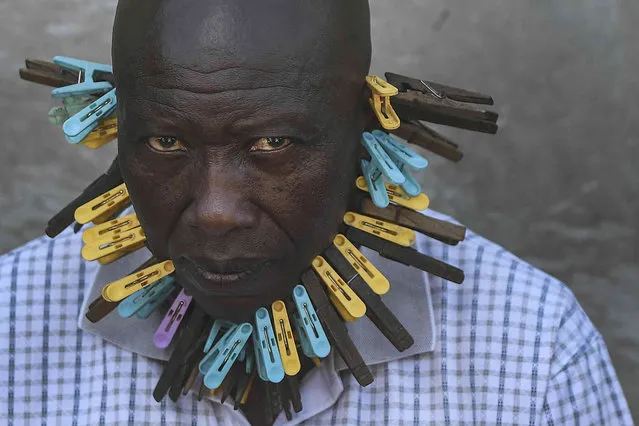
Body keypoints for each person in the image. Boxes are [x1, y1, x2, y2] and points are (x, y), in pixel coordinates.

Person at [0, 0, 632, 424]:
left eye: (274, 143)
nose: (216, 212)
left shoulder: (536, 351)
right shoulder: (9, 326)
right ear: (116, 125)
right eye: (166, 142)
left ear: (367, 128)